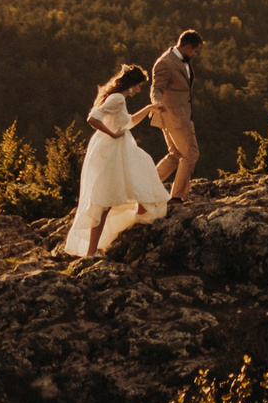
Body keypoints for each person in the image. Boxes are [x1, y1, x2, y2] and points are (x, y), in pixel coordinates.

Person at [63, 63, 173, 257]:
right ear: (131, 85)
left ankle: (139, 212)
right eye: (139, 86)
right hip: (111, 151)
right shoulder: (116, 99)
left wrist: (149, 108)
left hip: (119, 149)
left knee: (141, 168)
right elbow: (92, 118)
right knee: (104, 202)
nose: (139, 90)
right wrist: (112, 134)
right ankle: (91, 251)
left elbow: (128, 122)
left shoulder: (118, 99)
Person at [151, 29, 203, 200]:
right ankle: (177, 197)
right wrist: (157, 103)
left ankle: (146, 185)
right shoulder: (165, 63)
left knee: (176, 154)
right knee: (191, 153)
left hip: (182, 114)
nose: (195, 54)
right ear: (188, 47)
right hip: (174, 116)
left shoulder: (181, 61)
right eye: (195, 51)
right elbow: (156, 88)